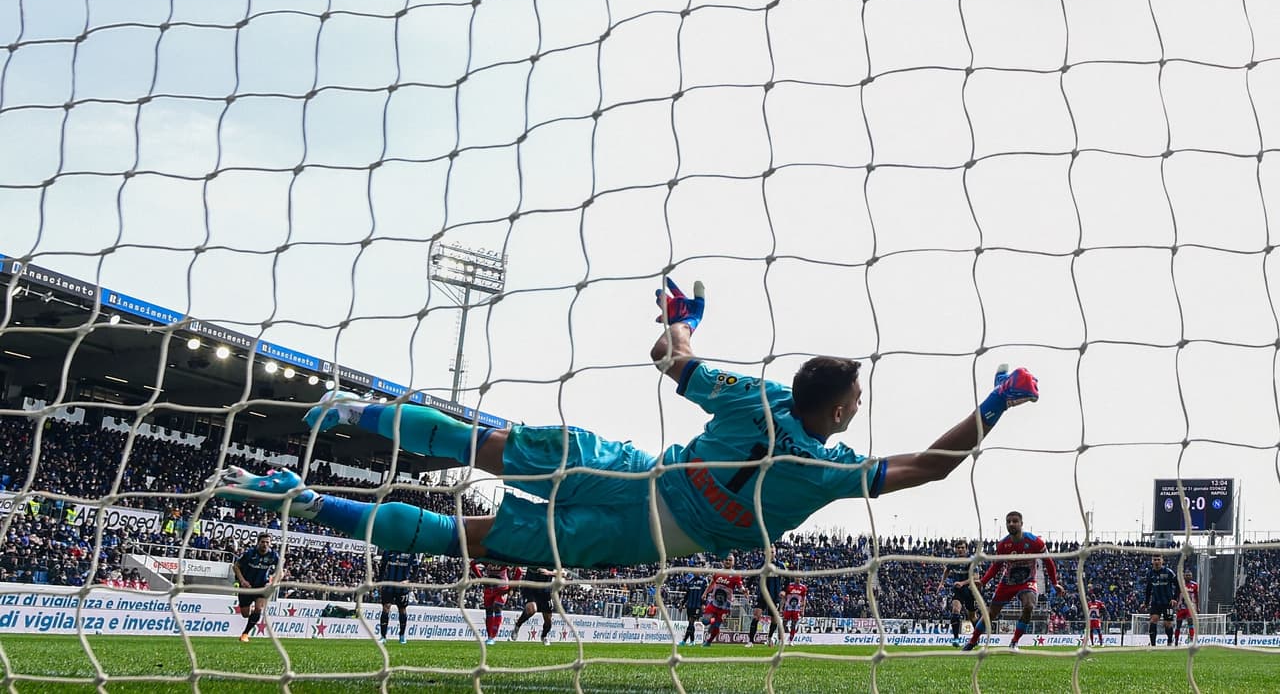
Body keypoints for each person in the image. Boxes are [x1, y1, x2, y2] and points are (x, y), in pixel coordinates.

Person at [211, 279, 1040, 569]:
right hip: (641, 527)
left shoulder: (754, 395)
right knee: (466, 521)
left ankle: (332, 444)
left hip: (627, 478)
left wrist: (682, 320)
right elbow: (935, 465)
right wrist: (996, 402)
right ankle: (318, 474)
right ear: (838, 407)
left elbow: (668, 357)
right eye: (856, 397)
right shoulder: (830, 470)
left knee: (479, 467)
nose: (859, 405)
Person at [961, 512, 1061, 652]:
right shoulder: (1003, 544)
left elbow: (1048, 562)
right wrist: (983, 581)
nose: (1011, 524)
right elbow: (996, 566)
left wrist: (1055, 582)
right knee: (990, 613)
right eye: (1008, 522)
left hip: (1027, 581)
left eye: (1015, 521)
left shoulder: (1035, 541)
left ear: (1021, 523)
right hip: (1008, 582)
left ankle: (1014, 642)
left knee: (1029, 606)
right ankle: (972, 642)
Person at [233, 533, 280, 643]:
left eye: (267, 542)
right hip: (247, 586)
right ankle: (253, 615)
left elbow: (280, 572)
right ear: (258, 543)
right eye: (263, 542)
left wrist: (272, 581)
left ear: (270, 544)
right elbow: (236, 567)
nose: (265, 544)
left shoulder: (273, 555)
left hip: (262, 586)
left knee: (259, 608)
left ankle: (245, 634)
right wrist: (242, 581)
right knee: (245, 614)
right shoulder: (250, 553)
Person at [700, 555, 745, 646]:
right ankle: (713, 620)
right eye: (726, 559)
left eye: (730, 560)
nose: (728, 561)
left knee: (717, 626)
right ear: (723, 561)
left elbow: (740, 587)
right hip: (713, 602)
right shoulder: (717, 572)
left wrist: (744, 590)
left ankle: (708, 642)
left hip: (725, 606)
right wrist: (705, 593)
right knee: (705, 621)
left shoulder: (736, 575)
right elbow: (712, 584)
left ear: (733, 562)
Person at [939, 540, 977, 647]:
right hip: (958, 590)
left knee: (972, 617)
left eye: (962, 547)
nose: (960, 549)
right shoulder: (953, 560)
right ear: (955, 549)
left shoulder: (971, 560)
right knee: (955, 610)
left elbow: (976, 577)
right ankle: (956, 639)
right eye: (958, 548)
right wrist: (941, 583)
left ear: (966, 549)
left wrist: (962, 583)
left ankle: (976, 637)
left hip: (969, 590)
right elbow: (946, 570)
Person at [471, 561, 519, 646]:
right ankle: (489, 637)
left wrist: (511, 588)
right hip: (489, 589)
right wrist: (481, 579)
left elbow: (518, 571)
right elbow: (472, 563)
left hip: (502, 589)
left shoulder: (503, 560)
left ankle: (492, 637)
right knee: (489, 611)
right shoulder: (487, 560)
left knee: (497, 607)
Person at [376, 549, 417, 645]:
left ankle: (402, 635)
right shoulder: (388, 550)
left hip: (402, 587)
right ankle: (383, 636)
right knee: (386, 607)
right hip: (388, 585)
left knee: (402, 610)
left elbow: (416, 569)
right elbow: (382, 567)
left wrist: (409, 580)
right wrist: (380, 581)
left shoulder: (411, 552)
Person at [510, 566, 556, 644]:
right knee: (532, 609)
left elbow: (563, 573)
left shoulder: (552, 561)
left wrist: (549, 573)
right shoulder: (533, 558)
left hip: (545, 591)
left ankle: (544, 636)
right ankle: (517, 625)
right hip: (530, 588)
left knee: (548, 620)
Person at [747, 554, 784, 647]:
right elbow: (752, 577)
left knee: (774, 620)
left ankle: (770, 638)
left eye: (772, 552)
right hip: (762, 595)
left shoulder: (780, 565)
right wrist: (747, 588)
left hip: (774, 597)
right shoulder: (760, 565)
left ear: (775, 553)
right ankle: (750, 641)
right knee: (756, 616)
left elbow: (787, 578)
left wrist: (784, 590)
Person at [1143, 554, 1178, 647]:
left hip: (1168, 603)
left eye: (1158, 559)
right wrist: (1146, 603)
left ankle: (1170, 642)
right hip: (1156, 602)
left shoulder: (1168, 572)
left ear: (1162, 561)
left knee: (1167, 624)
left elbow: (1178, 585)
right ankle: (1153, 645)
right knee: (1153, 620)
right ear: (1152, 561)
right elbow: (1148, 589)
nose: (1157, 562)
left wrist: (1174, 598)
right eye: (1155, 560)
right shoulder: (1150, 574)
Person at [679, 571, 707, 646]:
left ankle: (685, 641)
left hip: (697, 606)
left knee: (691, 622)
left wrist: (703, 604)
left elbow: (705, 593)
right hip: (690, 606)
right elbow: (687, 594)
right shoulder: (690, 582)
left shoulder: (703, 581)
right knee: (690, 623)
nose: (696, 573)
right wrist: (682, 604)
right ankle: (691, 641)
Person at [1174, 570, 1199, 645]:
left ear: (1191, 576)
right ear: (1184, 576)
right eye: (1186, 575)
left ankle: (1191, 640)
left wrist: (1197, 607)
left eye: (1189, 575)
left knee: (1190, 623)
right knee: (1178, 625)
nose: (1188, 576)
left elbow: (1196, 597)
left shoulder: (1195, 585)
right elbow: (1176, 595)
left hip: (1190, 608)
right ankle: (1176, 641)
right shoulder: (1180, 584)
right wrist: (1176, 605)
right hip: (1181, 608)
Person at [780, 578, 807, 644]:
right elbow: (784, 598)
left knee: (794, 624)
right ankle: (780, 639)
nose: (797, 578)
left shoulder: (803, 587)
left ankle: (791, 640)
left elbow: (803, 599)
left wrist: (802, 610)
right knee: (784, 623)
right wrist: (781, 608)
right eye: (796, 577)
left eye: (799, 577)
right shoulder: (789, 585)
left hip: (797, 609)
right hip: (788, 608)